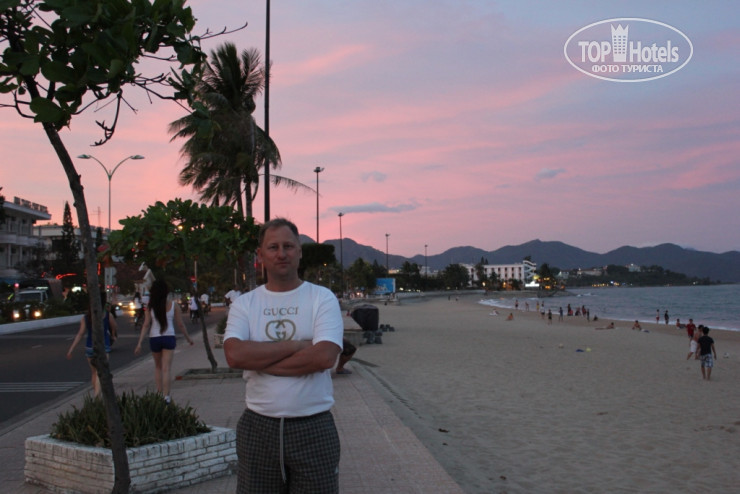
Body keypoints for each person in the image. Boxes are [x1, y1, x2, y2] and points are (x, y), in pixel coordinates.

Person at [223, 218, 344, 493]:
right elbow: (235, 356)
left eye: (288, 246)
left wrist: (260, 361)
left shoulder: (322, 298)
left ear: (299, 251)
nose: (281, 253)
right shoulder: (245, 304)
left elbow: (324, 358)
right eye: (273, 247)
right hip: (258, 428)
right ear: (260, 255)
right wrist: (297, 346)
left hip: (314, 427)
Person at [135, 279, 194, 403]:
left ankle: (159, 393)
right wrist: (188, 339)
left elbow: (146, 325)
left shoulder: (150, 306)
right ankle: (166, 397)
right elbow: (180, 324)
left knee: (158, 367)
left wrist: (139, 343)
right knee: (167, 368)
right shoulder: (173, 305)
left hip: (154, 338)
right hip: (169, 337)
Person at [66, 299, 118, 397]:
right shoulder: (107, 315)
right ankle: (97, 395)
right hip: (103, 346)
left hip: (90, 347)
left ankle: (96, 393)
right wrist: (113, 335)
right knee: (101, 371)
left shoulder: (86, 317)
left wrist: (71, 349)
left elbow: (80, 334)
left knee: (94, 372)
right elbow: (114, 326)